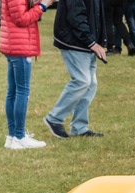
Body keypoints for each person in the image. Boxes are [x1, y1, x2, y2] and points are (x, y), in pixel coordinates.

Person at [43, 0, 108, 139]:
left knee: (91, 84)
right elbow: (76, 17)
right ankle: (54, 118)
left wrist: (100, 41)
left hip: (87, 42)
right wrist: (92, 42)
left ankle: (79, 127)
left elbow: (96, 12)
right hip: (74, 42)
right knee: (82, 81)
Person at [0, 0, 55, 149]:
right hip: (20, 47)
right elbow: (21, 19)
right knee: (22, 91)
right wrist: (42, 6)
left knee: (13, 92)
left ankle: (12, 136)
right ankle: (19, 136)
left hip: (14, 45)